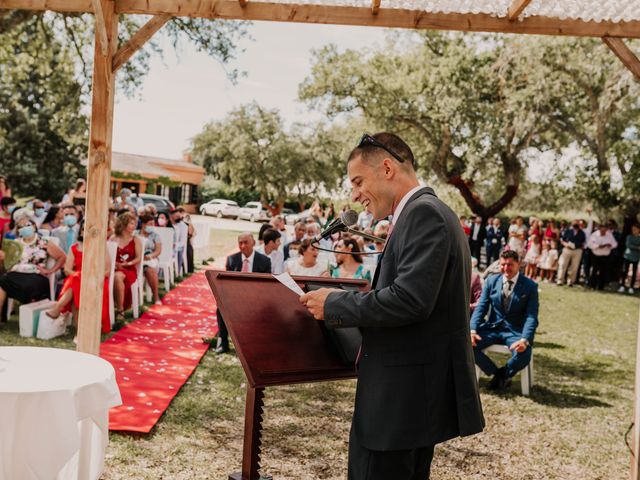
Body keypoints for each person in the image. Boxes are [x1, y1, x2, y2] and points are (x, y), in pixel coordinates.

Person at [300, 132, 484, 479]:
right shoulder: (430, 213)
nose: (355, 195)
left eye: (357, 181)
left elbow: (410, 301)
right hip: (409, 402)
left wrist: (335, 303)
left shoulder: (423, 214)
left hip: (399, 406)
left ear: (387, 168)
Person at [470, 250, 539, 391]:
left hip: (515, 332)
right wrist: (472, 330)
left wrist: (525, 339)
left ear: (518, 265)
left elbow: (531, 316)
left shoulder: (530, 286)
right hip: (492, 328)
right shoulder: (491, 281)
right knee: (466, 345)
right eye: (503, 265)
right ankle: (498, 375)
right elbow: (481, 308)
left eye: (510, 265)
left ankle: (504, 374)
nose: (506, 268)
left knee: (525, 353)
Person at [45, 219, 111, 333]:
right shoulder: (74, 247)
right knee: (77, 282)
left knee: (76, 283)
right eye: (84, 229)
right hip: (77, 278)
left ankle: (58, 308)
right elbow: (67, 269)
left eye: (89, 230)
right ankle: (79, 331)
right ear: (80, 232)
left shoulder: (101, 246)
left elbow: (107, 270)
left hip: (97, 279)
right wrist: (81, 276)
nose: (86, 232)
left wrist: (90, 277)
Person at [0, 212, 66, 322]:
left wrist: (50, 270)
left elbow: (62, 257)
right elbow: (7, 266)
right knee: (2, 280)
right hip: (16, 273)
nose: (25, 228)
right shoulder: (15, 244)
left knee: (26, 284)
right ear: (18, 230)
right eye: (21, 226)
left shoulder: (44, 242)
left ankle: (30, 317)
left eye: (27, 225)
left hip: (36, 275)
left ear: (34, 226)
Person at [214, 232, 271, 354]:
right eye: (240, 243)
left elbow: (265, 286)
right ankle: (222, 341)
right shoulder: (231, 259)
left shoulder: (265, 261)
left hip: (256, 297)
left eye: (246, 242)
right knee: (221, 308)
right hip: (235, 296)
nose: (243, 246)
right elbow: (227, 283)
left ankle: (254, 343)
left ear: (253, 243)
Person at [110, 212, 143, 321]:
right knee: (114, 276)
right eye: (131, 223)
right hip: (112, 268)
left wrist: (126, 264)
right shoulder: (113, 238)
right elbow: (107, 254)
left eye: (135, 223)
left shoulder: (136, 240)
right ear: (123, 224)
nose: (134, 226)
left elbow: (138, 258)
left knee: (117, 277)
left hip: (129, 269)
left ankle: (120, 310)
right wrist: (114, 265)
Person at [138, 214, 162, 304]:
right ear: (144, 224)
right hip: (138, 258)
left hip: (150, 258)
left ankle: (156, 296)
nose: (152, 226)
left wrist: (150, 256)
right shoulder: (135, 234)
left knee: (149, 270)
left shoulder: (155, 236)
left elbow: (158, 251)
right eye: (150, 224)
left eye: (153, 224)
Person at [587, 223, 618, 290]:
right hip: (596, 255)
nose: (603, 232)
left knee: (603, 271)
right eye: (602, 231)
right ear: (599, 229)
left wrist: (610, 245)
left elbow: (615, 244)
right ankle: (592, 285)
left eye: (605, 230)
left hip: (605, 256)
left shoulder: (609, 235)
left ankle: (601, 287)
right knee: (594, 271)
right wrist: (598, 246)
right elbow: (589, 244)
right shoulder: (594, 235)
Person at [556, 220, 586, 287]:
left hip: (577, 250)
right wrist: (565, 244)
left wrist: (581, 248)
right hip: (567, 249)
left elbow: (583, 242)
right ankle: (560, 280)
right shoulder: (568, 231)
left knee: (574, 267)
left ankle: (571, 282)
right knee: (563, 265)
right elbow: (562, 240)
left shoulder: (582, 233)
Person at [619, 223, 640, 294]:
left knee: (634, 272)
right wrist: (637, 247)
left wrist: (634, 247)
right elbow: (628, 245)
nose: (633, 231)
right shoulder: (629, 236)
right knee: (625, 271)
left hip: (636, 257)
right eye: (632, 230)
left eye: (635, 229)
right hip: (627, 256)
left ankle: (631, 287)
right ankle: (622, 285)